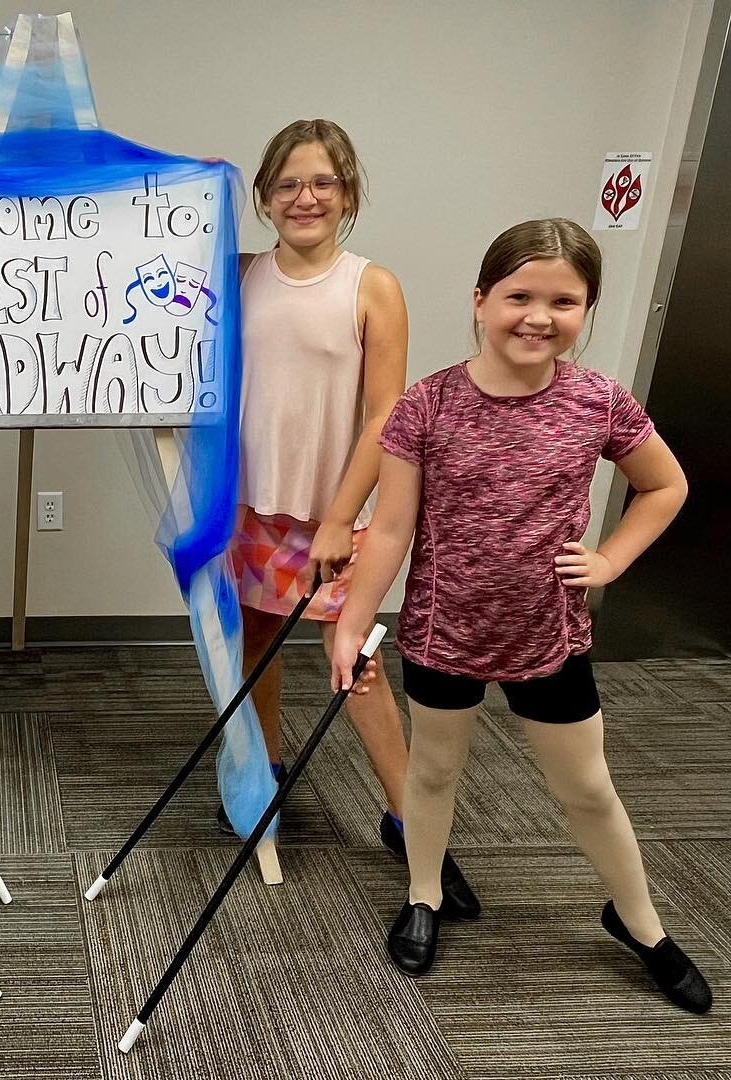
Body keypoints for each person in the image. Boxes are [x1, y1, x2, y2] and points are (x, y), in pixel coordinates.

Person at [332, 218, 711, 1013]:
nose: (539, 317)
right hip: (444, 631)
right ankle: (426, 893)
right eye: (519, 297)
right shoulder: (426, 406)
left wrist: (609, 560)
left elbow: (665, 485)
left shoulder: (597, 401)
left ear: (587, 311)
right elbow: (392, 528)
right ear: (480, 300)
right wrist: (349, 626)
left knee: (586, 789)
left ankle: (639, 921)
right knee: (433, 772)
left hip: (550, 635)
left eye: (564, 301)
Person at [227, 119, 477, 917]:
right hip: (252, 505)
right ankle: (259, 773)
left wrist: (339, 517)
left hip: (341, 511)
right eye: (288, 183)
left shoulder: (373, 286)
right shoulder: (238, 275)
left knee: (353, 662)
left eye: (323, 182)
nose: (305, 197)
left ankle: (413, 822)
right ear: (265, 195)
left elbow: (386, 417)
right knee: (255, 637)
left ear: (347, 193)